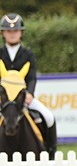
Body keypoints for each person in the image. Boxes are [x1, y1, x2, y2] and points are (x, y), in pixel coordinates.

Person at [0, 13, 57, 155]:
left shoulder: (28, 54)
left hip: (22, 98)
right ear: (3, 33)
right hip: (3, 100)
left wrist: (30, 93)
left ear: (21, 33)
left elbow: (32, 77)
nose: (12, 34)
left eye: (16, 31)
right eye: (9, 31)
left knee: (48, 116)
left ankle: (50, 151)